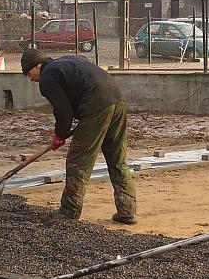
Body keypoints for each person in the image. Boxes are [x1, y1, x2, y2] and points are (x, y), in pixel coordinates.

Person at [21, 49, 138, 224]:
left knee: (78, 160)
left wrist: (59, 135)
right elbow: (82, 84)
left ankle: (69, 212)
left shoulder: (48, 77)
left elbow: (63, 112)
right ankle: (127, 210)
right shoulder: (70, 60)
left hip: (96, 105)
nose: (30, 78)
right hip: (117, 100)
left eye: (28, 73)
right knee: (117, 159)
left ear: (38, 65)